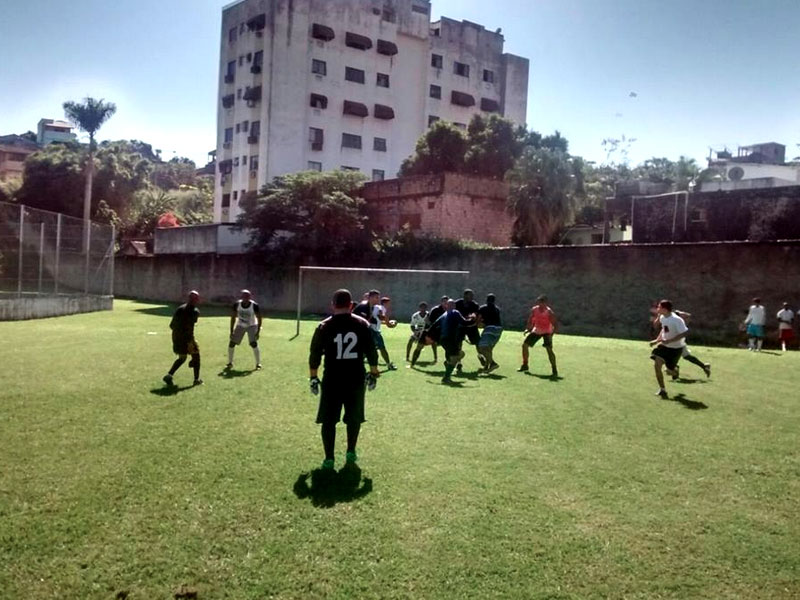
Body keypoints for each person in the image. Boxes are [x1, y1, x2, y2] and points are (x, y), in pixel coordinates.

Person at [308, 289, 379, 470]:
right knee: (353, 418)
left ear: (332, 305)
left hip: (332, 378)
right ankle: (351, 451)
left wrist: (313, 377)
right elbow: (371, 351)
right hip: (355, 378)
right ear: (351, 305)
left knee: (329, 420)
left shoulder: (324, 326)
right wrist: (373, 373)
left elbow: (315, 354)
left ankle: (329, 458)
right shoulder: (362, 324)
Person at [652, 309, 711, 379]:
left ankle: (676, 368)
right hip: (670, 342)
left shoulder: (675, 318)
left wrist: (681, 314)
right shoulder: (667, 320)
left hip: (677, 343)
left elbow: (688, 315)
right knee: (668, 355)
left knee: (685, 356)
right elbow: (663, 330)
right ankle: (675, 368)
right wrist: (657, 340)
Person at [649, 299, 688, 399]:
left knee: (669, 372)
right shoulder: (663, 317)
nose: (657, 308)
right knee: (657, 365)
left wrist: (670, 340)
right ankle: (662, 390)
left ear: (665, 309)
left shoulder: (677, 320)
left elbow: (684, 333)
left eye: (659, 307)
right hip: (665, 346)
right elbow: (664, 329)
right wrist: (657, 340)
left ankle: (675, 371)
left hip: (676, 349)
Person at [163, 290, 202, 386]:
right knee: (196, 357)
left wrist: (177, 336)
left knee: (182, 358)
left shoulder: (179, 309)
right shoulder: (195, 312)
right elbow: (190, 327)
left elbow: (171, 325)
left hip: (176, 337)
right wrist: (191, 342)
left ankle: (169, 375)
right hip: (187, 339)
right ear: (196, 300)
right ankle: (196, 380)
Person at [431, 298, 474, 383]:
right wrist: (473, 319)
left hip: (443, 340)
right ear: (452, 306)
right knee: (455, 358)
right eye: (451, 304)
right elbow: (465, 323)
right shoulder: (455, 312)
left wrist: (429, 336)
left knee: (460, 354)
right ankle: (446, 378)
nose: (452, 306)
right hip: (450, 339)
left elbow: (434, 325)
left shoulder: (444, 314)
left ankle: (448, 364)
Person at [518, 295, 558, 377]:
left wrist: (551, 335)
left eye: (542, 302)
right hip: (537, 330)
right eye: (539, 302)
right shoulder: (534, 309)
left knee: (549, 349)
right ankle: (525, 365)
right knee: (525, 345)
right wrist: (528, 329)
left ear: (545, 303)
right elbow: (531, 319)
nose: (540, 304)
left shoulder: (549, 312)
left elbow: (555, 324)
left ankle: (554, 369)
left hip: (547, 331)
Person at [226, 289, 263, 370]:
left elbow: (259, 318)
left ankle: (258, 364)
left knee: (253, 343)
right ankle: (230, 363)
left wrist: (258, 332)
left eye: (247, 297)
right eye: (244, 296)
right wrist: (231, 331)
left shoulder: (254, 305)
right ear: (241, 297)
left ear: (250, 297)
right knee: (232, 343)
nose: (246, 298)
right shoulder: (237, 304)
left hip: (252, 325)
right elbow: (233, 317)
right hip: (240, 325)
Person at [409, 295, 446, 367]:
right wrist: (433, 325)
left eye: (446, 302)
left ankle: (450, 365)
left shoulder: (448, 311)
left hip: (440, 333)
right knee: (419, 347)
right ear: (441, 302)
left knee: (448, 347)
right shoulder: (435, 310)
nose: (445, 304)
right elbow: (426, 319)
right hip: (428, 332)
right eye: (444, 302)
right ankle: (412, 364)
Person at [455, 289, 483, 371]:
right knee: (458, 343)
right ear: (465, 295)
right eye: (470, 295)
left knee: (477, 342)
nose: (472, 297)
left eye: (472, 295)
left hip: (471, 326)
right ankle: (458, 363)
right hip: (460, 326)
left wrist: (473, 316)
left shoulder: (474, 304)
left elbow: (476, 314)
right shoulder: (457, 303)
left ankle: (481, 356)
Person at [477, 293, 503, 372]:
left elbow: (478, 319)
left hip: (490, 329)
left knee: (481, 348)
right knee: (488, 349)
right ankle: (486, 367)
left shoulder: (483, 308)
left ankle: (493, 363)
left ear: (486, 300)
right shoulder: (497, 309)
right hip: (499, 329)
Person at [371, 296, 397, 370]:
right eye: (388, 303)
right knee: (382, 348)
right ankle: (389, 365)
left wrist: (386, 322)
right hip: (375, 332)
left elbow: (376, 319)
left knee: (368, 349)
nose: (389, 305)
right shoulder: (382, 308)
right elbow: (380, 317)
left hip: (370, 330)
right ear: (385, 303)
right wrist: (389, 323)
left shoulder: (375, 307)